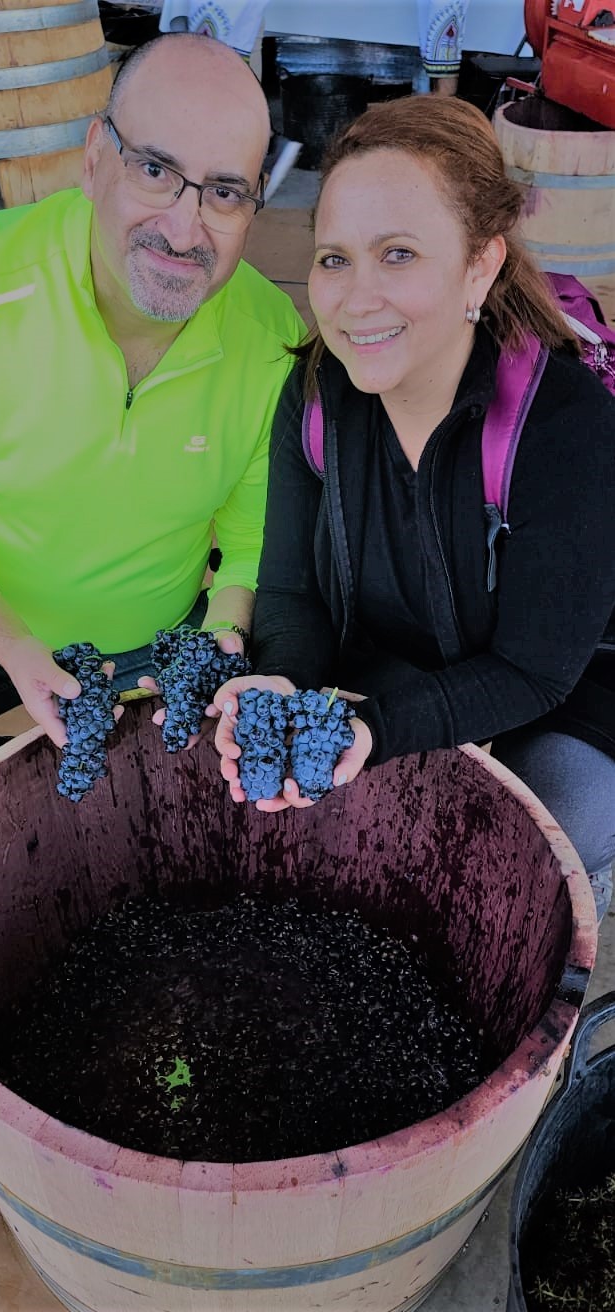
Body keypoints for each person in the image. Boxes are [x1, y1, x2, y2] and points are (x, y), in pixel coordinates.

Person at [214, 95, 615, 920]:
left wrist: (379, 730)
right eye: (334, 258)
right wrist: (284, 683)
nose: (356, 299)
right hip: (397, 662)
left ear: (480, 265)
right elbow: (290, 592)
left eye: (398, 254)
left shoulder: (564, 426)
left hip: (563, 682)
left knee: (536, 840)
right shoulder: (316, 394)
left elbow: (535, 669)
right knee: (330, 827)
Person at [0, 33, 304, 823]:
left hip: (153, 634)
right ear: (94, 159)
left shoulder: (271, 336)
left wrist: (222, 633)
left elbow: (253, 537)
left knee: (187, 805)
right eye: (155, 171)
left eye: (225, 192)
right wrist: (13, 646)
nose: (184, 230)